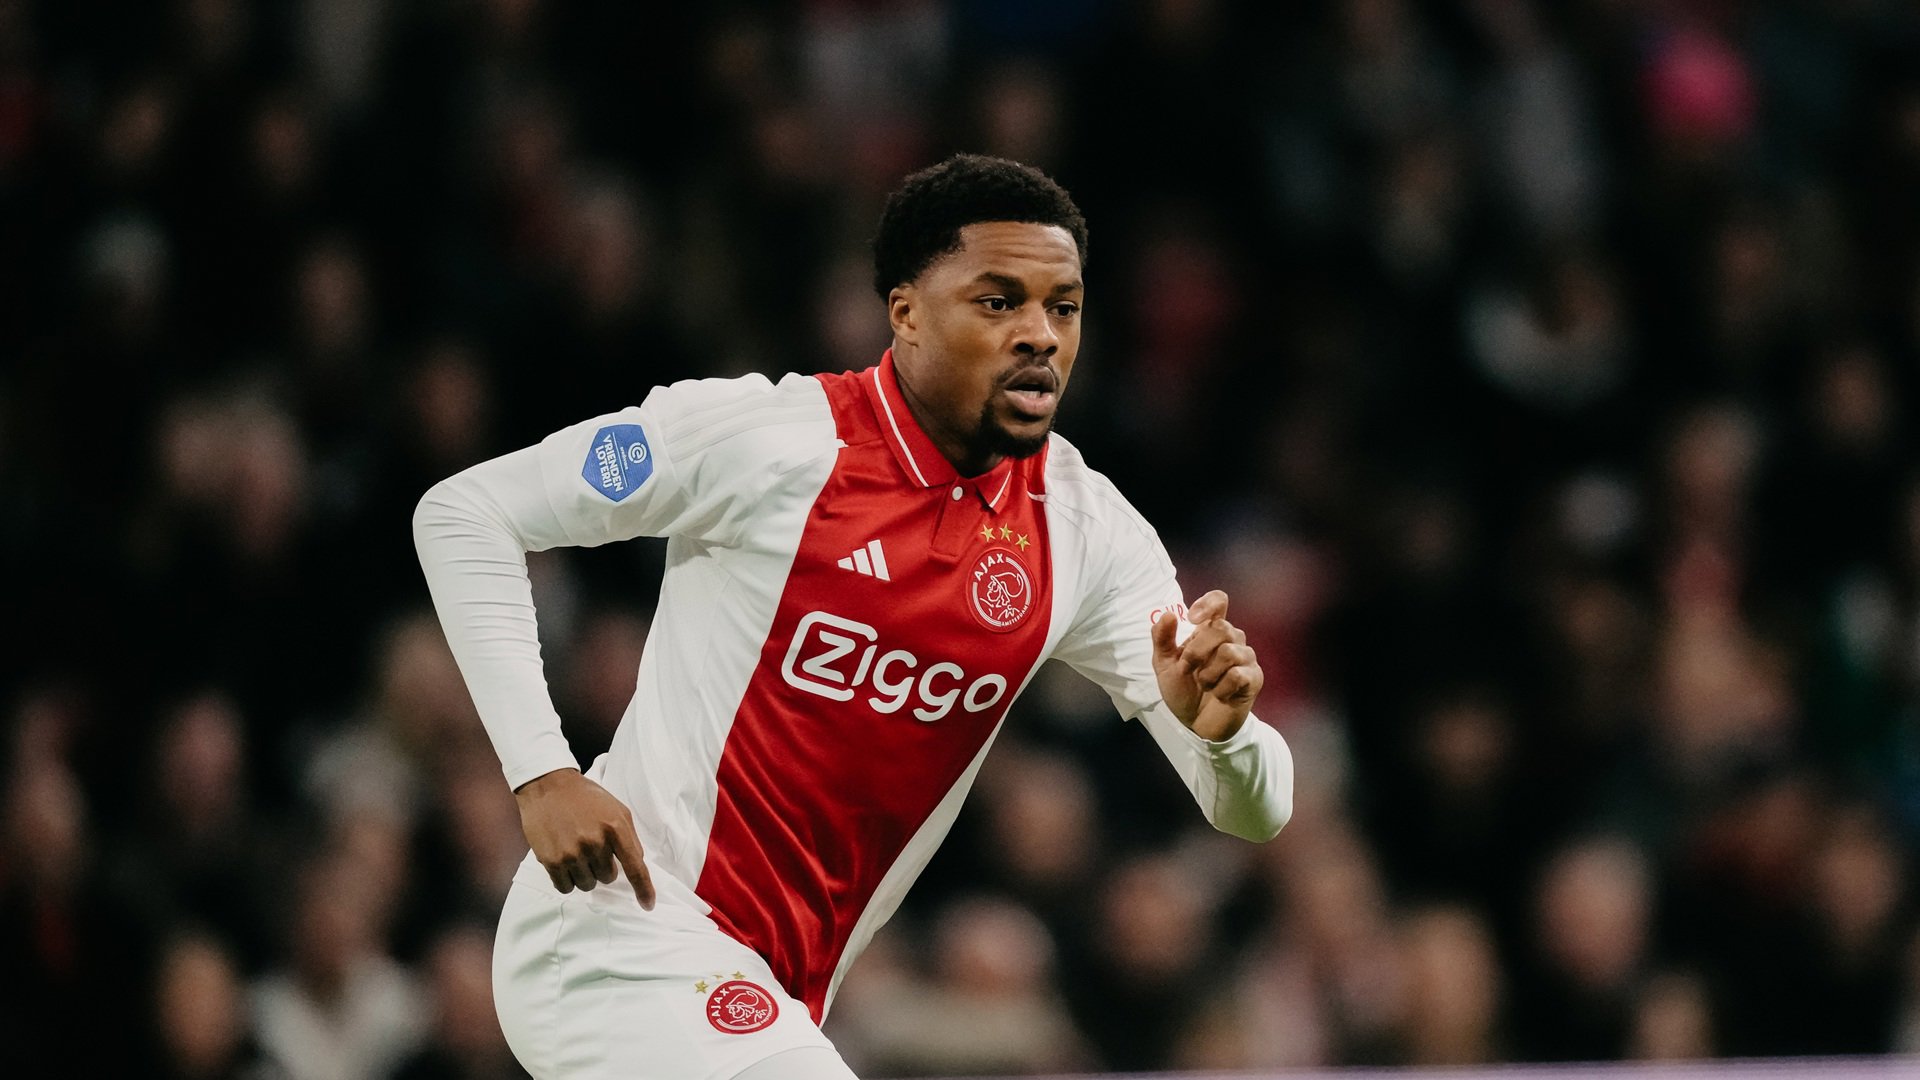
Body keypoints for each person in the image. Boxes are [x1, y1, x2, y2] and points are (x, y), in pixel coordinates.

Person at [413, 153, 1295, 1080]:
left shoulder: (1086, 533)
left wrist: (1223, 737)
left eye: (1063, 307)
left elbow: (1256, 811)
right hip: (615, 933)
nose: (1040, 334)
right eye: (999, 302)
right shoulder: (769, 440)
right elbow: (466, 513)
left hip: (769, 992)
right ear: (905, 313)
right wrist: (543, 774)